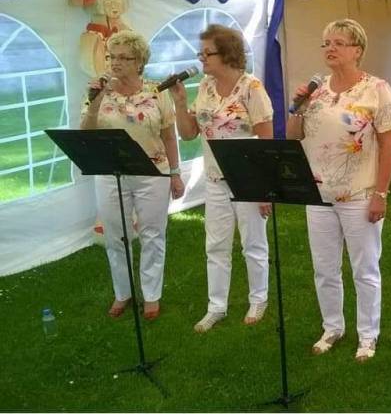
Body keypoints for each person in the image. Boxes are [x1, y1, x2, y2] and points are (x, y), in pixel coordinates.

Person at [286, 18, 391, 362]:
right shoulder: (316, 91)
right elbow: (293, 137)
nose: (330, 48)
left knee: (364, 269)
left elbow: (389, 144)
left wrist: (381, 194)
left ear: (357, 50)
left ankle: (368, 335)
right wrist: (297, 108)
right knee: (324, 268)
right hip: (318, 194)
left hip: (359, 194)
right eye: (326, 43)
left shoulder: (376, 89)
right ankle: (332, 327)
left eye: (339, 42)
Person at [172, 24, 274, 333]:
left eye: (207, 53)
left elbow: (266, 140)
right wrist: (180, 103)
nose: (201, 58)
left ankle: (258, 299)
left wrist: (264, 188)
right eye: (200, 53)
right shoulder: (205, 86)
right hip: (215, 179)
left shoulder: (251, 87)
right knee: (215, 245)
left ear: (227, 54)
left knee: (253, 243)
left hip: (247, 179)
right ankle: (216, 306)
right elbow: (188, 134)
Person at [80, 31, 185, 320]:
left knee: (153, 234)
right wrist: (95, 101)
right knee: (116, 235)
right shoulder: (98, 91)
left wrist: (175, 174)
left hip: (152, 172)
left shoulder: (156, 91)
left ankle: (151, 295)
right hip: (109, 173)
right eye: (111, 57)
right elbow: (86, 134)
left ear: (139, 62)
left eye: (123, 58)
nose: (115, 63)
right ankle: (123, 292)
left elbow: (169, 135)